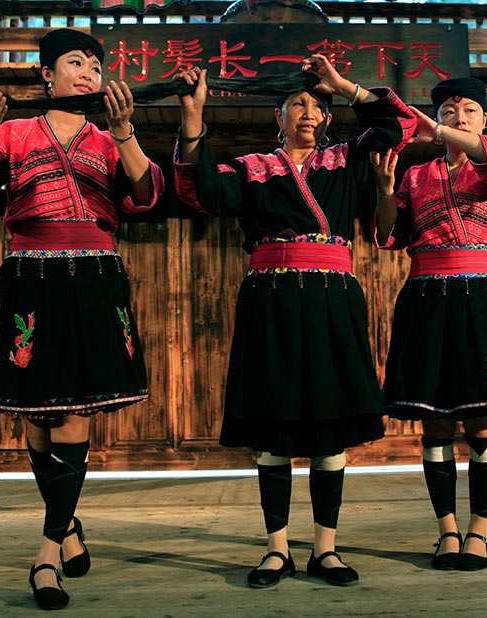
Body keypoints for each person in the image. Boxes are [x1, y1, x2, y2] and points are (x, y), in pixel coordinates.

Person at [0, 29, 164, 610]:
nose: (88, 73)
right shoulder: (13, 133)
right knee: (39, 418)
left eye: (95, 65)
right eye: (75, 63)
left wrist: (125, 132)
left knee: (73, 411)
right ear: (47, 74)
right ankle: (67, 527)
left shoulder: (108, 137)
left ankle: (45, 555)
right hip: (31, 277)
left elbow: (145, 195)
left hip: (93, 277)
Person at [173, 57, 415, 588]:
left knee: (330, 431)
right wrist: (193, 120)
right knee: (274, 429)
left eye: (318, 105)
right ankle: (277, 549)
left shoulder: (348, 159)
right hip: (271, 301)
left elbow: (401, 124)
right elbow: (204, 192)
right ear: (276, 117)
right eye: (297, 103)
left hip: (332, 299)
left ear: (328, 118)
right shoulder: (251, 167)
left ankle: (326, 549)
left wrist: (344, 86)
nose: (308, 111)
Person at [371, 77, 487, 571]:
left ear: (484, 120)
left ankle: (479, 530)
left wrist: (437, 132)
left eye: (468, 111)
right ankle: (446, 530)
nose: (459, 118)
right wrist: (385, 191)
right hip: (426, 298)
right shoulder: (416, 175)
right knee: (436, 421)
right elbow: (390, 235)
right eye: (447, 111)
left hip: (482, 296)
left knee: (482, 419)